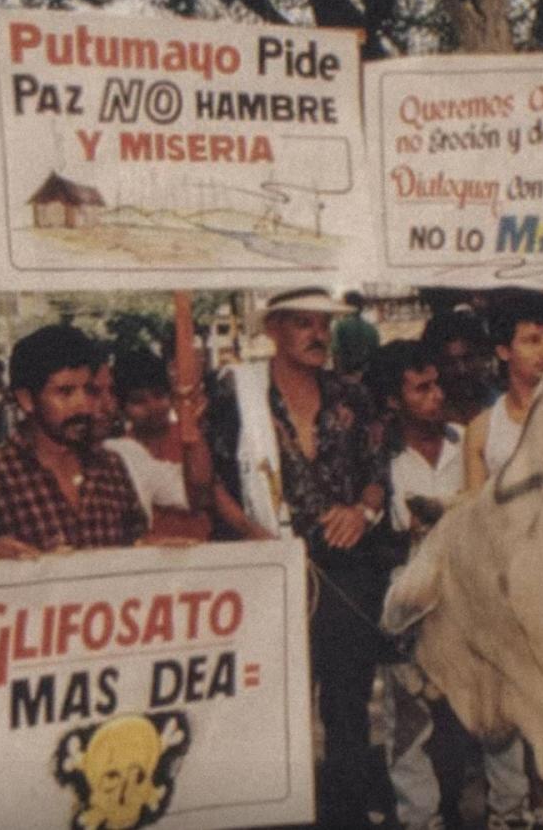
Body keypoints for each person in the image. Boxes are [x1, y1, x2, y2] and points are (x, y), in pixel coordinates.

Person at [209, 286, 393, 828]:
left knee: (347, 712)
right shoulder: (239, 397)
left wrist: (361, 510)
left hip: (346, 572)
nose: (318, 335)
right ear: (274, 330)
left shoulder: (353, 397)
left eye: (324, 324)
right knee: (274, 708)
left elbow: (378, 473)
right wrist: (253, 535)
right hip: (271, 571)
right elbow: (214, 483)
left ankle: (347, 814)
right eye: (304, 324)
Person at [465, 290, 543, 829]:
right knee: (504, 713)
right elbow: (473, 516)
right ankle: (508, 814)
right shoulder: (484, 429)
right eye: (531, 340)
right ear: (504, 351)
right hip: (503, 586)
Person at [367, 340, 469, 830]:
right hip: (409, 603)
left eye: (436, 384)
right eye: (421, 388)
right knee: (408, 719)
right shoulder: (381, 463)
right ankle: (420, 818)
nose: (436, 396)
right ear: (393, 400)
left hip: (469, 599)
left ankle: (508, 811)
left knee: (487, 711)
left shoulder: (466, 443)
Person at [0, 325, 147, 549]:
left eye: (88, 390)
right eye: (65, 392)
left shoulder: (111, 467)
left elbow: (135, 545)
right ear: (26, 400)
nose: (83, 405)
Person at [103, 350, 213, 542]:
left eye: (159, 395)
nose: (153, 407)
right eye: (139, 401)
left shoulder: (189, 438)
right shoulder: (119, 453)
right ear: (120, 408)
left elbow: (203, 495)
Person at [420, 308, 496, 425]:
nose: (461, 370)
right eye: (449, 363)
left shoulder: (502, 405)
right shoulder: (426, 420)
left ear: (482, 356)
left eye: (468, 358)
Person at [331, 290, 381, 382]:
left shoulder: (340, 325)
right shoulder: (372, 329)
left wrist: (339, 377)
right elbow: (376, 356)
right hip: (365, 377)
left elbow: (336, 353)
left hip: (345, 377)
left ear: (346, 306)